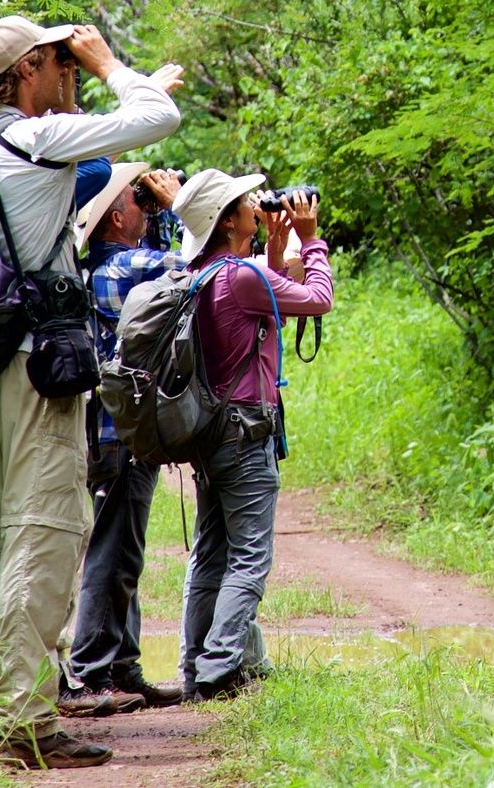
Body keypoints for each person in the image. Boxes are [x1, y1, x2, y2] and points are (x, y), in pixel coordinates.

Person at [0, 17, 182, 772]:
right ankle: (24, 715)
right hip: (31, 364)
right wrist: (108, 61)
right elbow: (158, 118)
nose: (66, 70)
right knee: (43, 528)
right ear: (25, 69)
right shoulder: (31, 137)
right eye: (55, 60)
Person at [168, 170, 331, 701]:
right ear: (228, 220)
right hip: (245, 430)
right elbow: (316, 298)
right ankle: (219, 668)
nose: (255, 207)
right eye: (245, 204)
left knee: (211, 551)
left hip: (212, 431)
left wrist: (278, 244)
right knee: (250, 555)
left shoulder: (202, 272)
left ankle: (195, 666)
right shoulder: (240, 278)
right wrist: (311, 240)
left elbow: (267, 299)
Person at [63, 164, 187, 708]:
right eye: (138, 201)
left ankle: (121, 664)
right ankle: (93, 668)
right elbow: (193, 271)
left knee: (125, 547)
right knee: (114, 549)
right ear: (116, 217)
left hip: (117, 428)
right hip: (120, 432)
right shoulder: (124, 268)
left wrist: (157, 211)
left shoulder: (114, 263)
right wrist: (183, 207)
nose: (147, 204)